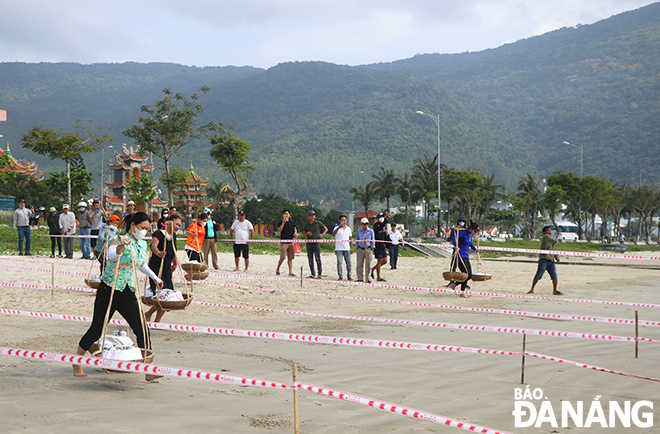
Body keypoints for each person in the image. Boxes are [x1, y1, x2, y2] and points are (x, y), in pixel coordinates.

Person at [72, 212, 163, 381]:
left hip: (128, 290)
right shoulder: (119, 240)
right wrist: (118, 251)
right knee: (97, 328)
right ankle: (77, 361)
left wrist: (156, 278)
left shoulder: (142, 244)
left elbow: (141, 264)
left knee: (142, 328)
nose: (145, 231)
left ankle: (148, 369)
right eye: (143, 228)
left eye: (147, 229)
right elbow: (112, 254)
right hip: (110, 289)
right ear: (133, 226)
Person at [145, 214, 182, 323]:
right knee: (161, 294)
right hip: (157, 267)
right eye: (176, 224)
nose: (177, 227)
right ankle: (148, 313)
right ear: (169, 223)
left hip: (167, 268)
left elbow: (174, 250)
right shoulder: (159, 233)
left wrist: (175, 263)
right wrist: (158, 253)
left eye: (179, 225)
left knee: (169, 295)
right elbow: (153, 246)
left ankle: (157, 321)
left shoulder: (172, 236)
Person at [527, 225, 563, 295]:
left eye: (550, 230)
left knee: (554, 276)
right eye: (548, 230)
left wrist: (556, 257)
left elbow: (553, 249)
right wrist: (558, 235)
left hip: (551, 260)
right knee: (538, 275)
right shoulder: (546, 237)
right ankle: (532, 289)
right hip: (544, 260)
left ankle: (555, 290)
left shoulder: (550, 240)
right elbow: (556, 241)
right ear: (544, 232)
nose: (550, 232)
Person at [449, 219, 479, 298]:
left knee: (469, 275)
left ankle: (454, 285)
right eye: (475, 231)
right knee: (466, 274)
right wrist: (456, 245)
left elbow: (470, 243)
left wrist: (474, 249)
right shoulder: (463, 233)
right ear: (471, 229)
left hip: (465, 256)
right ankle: (462, 292)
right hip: (459, 256)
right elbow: (454, 237)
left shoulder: (470, 236)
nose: (475, 233)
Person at [303, 210, 327, 279]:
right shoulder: (306, 224)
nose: (312, 217)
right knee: (310, 259)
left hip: (316, 242)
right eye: (311, 215)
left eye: (313, 215)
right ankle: (313, 274)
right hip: (309, 243)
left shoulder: (318, 223)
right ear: (308, 216)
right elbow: (304, 234)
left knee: (317, 258)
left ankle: (319, 274)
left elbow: (325, 229)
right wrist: (307, 233)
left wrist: (323, 234)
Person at [276, 209, 297, 276]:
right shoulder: (280, 222)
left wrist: (295, 233)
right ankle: (277, 269)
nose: (286, 215)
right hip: (283, 242)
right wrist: (283, 222)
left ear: (289, 215)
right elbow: (279, 230)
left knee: (290, 258)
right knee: (282, 257)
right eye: (285, 214)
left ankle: (290, 272)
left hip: (291, 242)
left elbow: (294, 228)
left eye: (287, 213)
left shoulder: (292, 222)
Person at [332, 214, 353, 280]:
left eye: (344, 220)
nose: (343, 221)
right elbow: (333, 234)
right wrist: (339, 227)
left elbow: (350, 238)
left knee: (349, 262)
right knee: (340, 263)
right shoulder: (336, 228)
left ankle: (349, 275)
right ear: (339, 221)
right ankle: (340, 276)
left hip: (347, 248)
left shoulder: (348, 229)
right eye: (342, 220)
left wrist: (351, 248)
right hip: (339, 248)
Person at [371, 212, 390, 282]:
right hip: (377, 245)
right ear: (377, 218)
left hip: (382, 246)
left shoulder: (383, 227)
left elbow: (384, 236)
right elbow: (379, 229)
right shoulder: (376, 225)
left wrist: (387, 244)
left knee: (385, 261)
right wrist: (386, 220)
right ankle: (378, 277)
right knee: (379, 261)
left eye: (383, 216)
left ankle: (373, 269)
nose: (382, 218)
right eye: (380, 217)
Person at [355, 217, 375, 282]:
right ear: (362, 224)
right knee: (359, 264)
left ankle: (368, 277)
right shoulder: (359, 231)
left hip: (368, 249)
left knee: (368, 264)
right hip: (360, 249)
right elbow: (357, 239)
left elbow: (373, 240)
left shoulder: (371, 231)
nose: (366, 225)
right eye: (364, 224)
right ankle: (360, 278)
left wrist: (372, 247)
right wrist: (357, 246)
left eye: (367, 224)